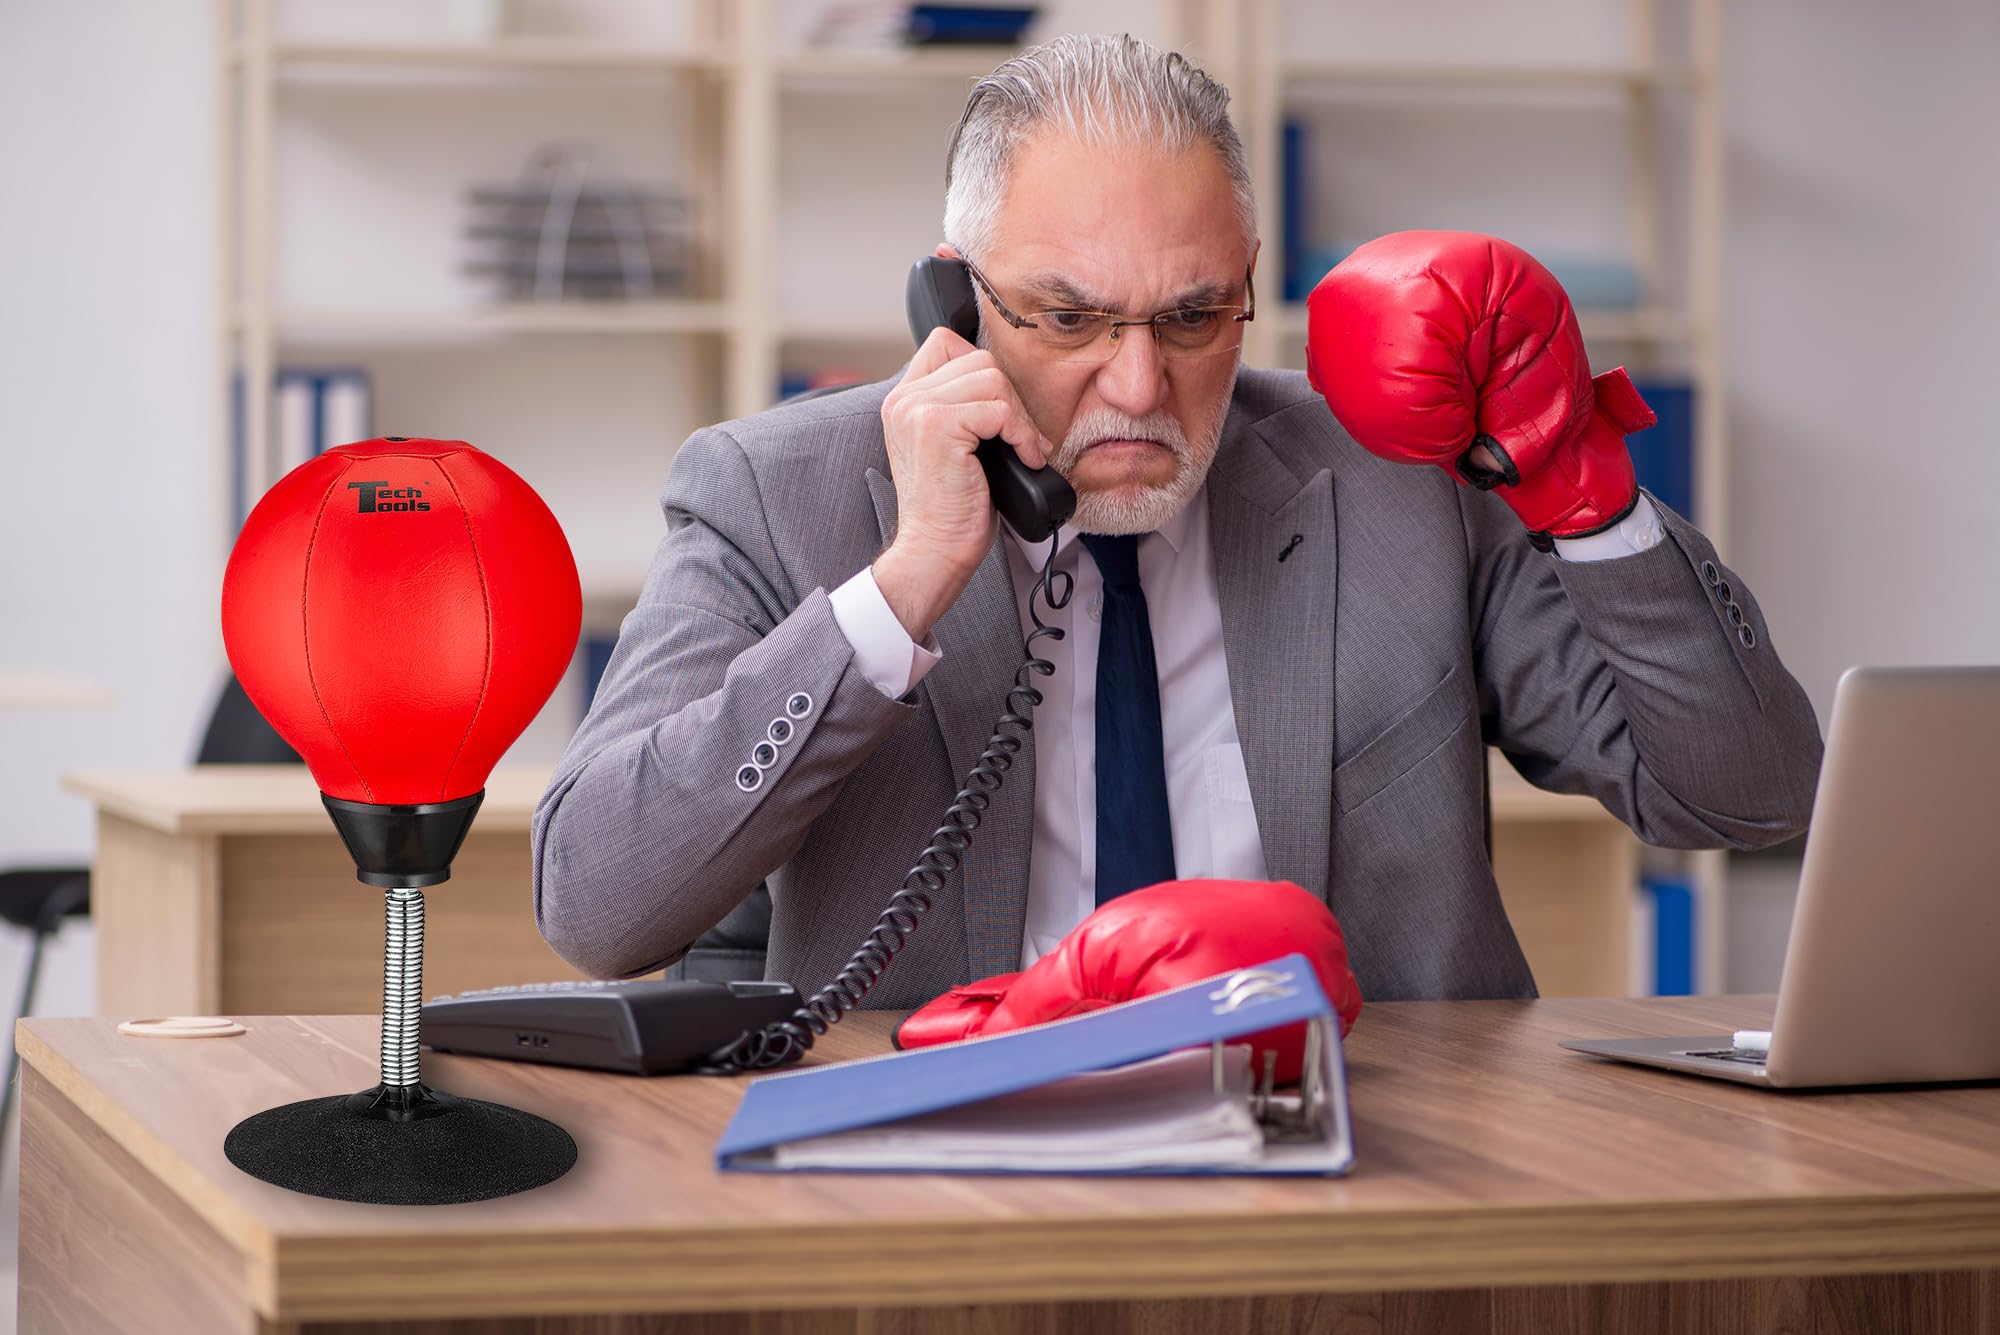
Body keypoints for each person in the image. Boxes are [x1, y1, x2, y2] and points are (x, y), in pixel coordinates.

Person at [529, 33, 1822, 1008]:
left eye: (1194, 317)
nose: (1140, 385)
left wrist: (1579, 485)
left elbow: (1751, 797)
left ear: (1251, 291)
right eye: (1070, 317)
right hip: (944, 1175)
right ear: (954, 300)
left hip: (1383, 1167)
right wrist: (907, 580)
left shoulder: (1400, 479)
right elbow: (597, 905)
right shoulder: (777, 491)